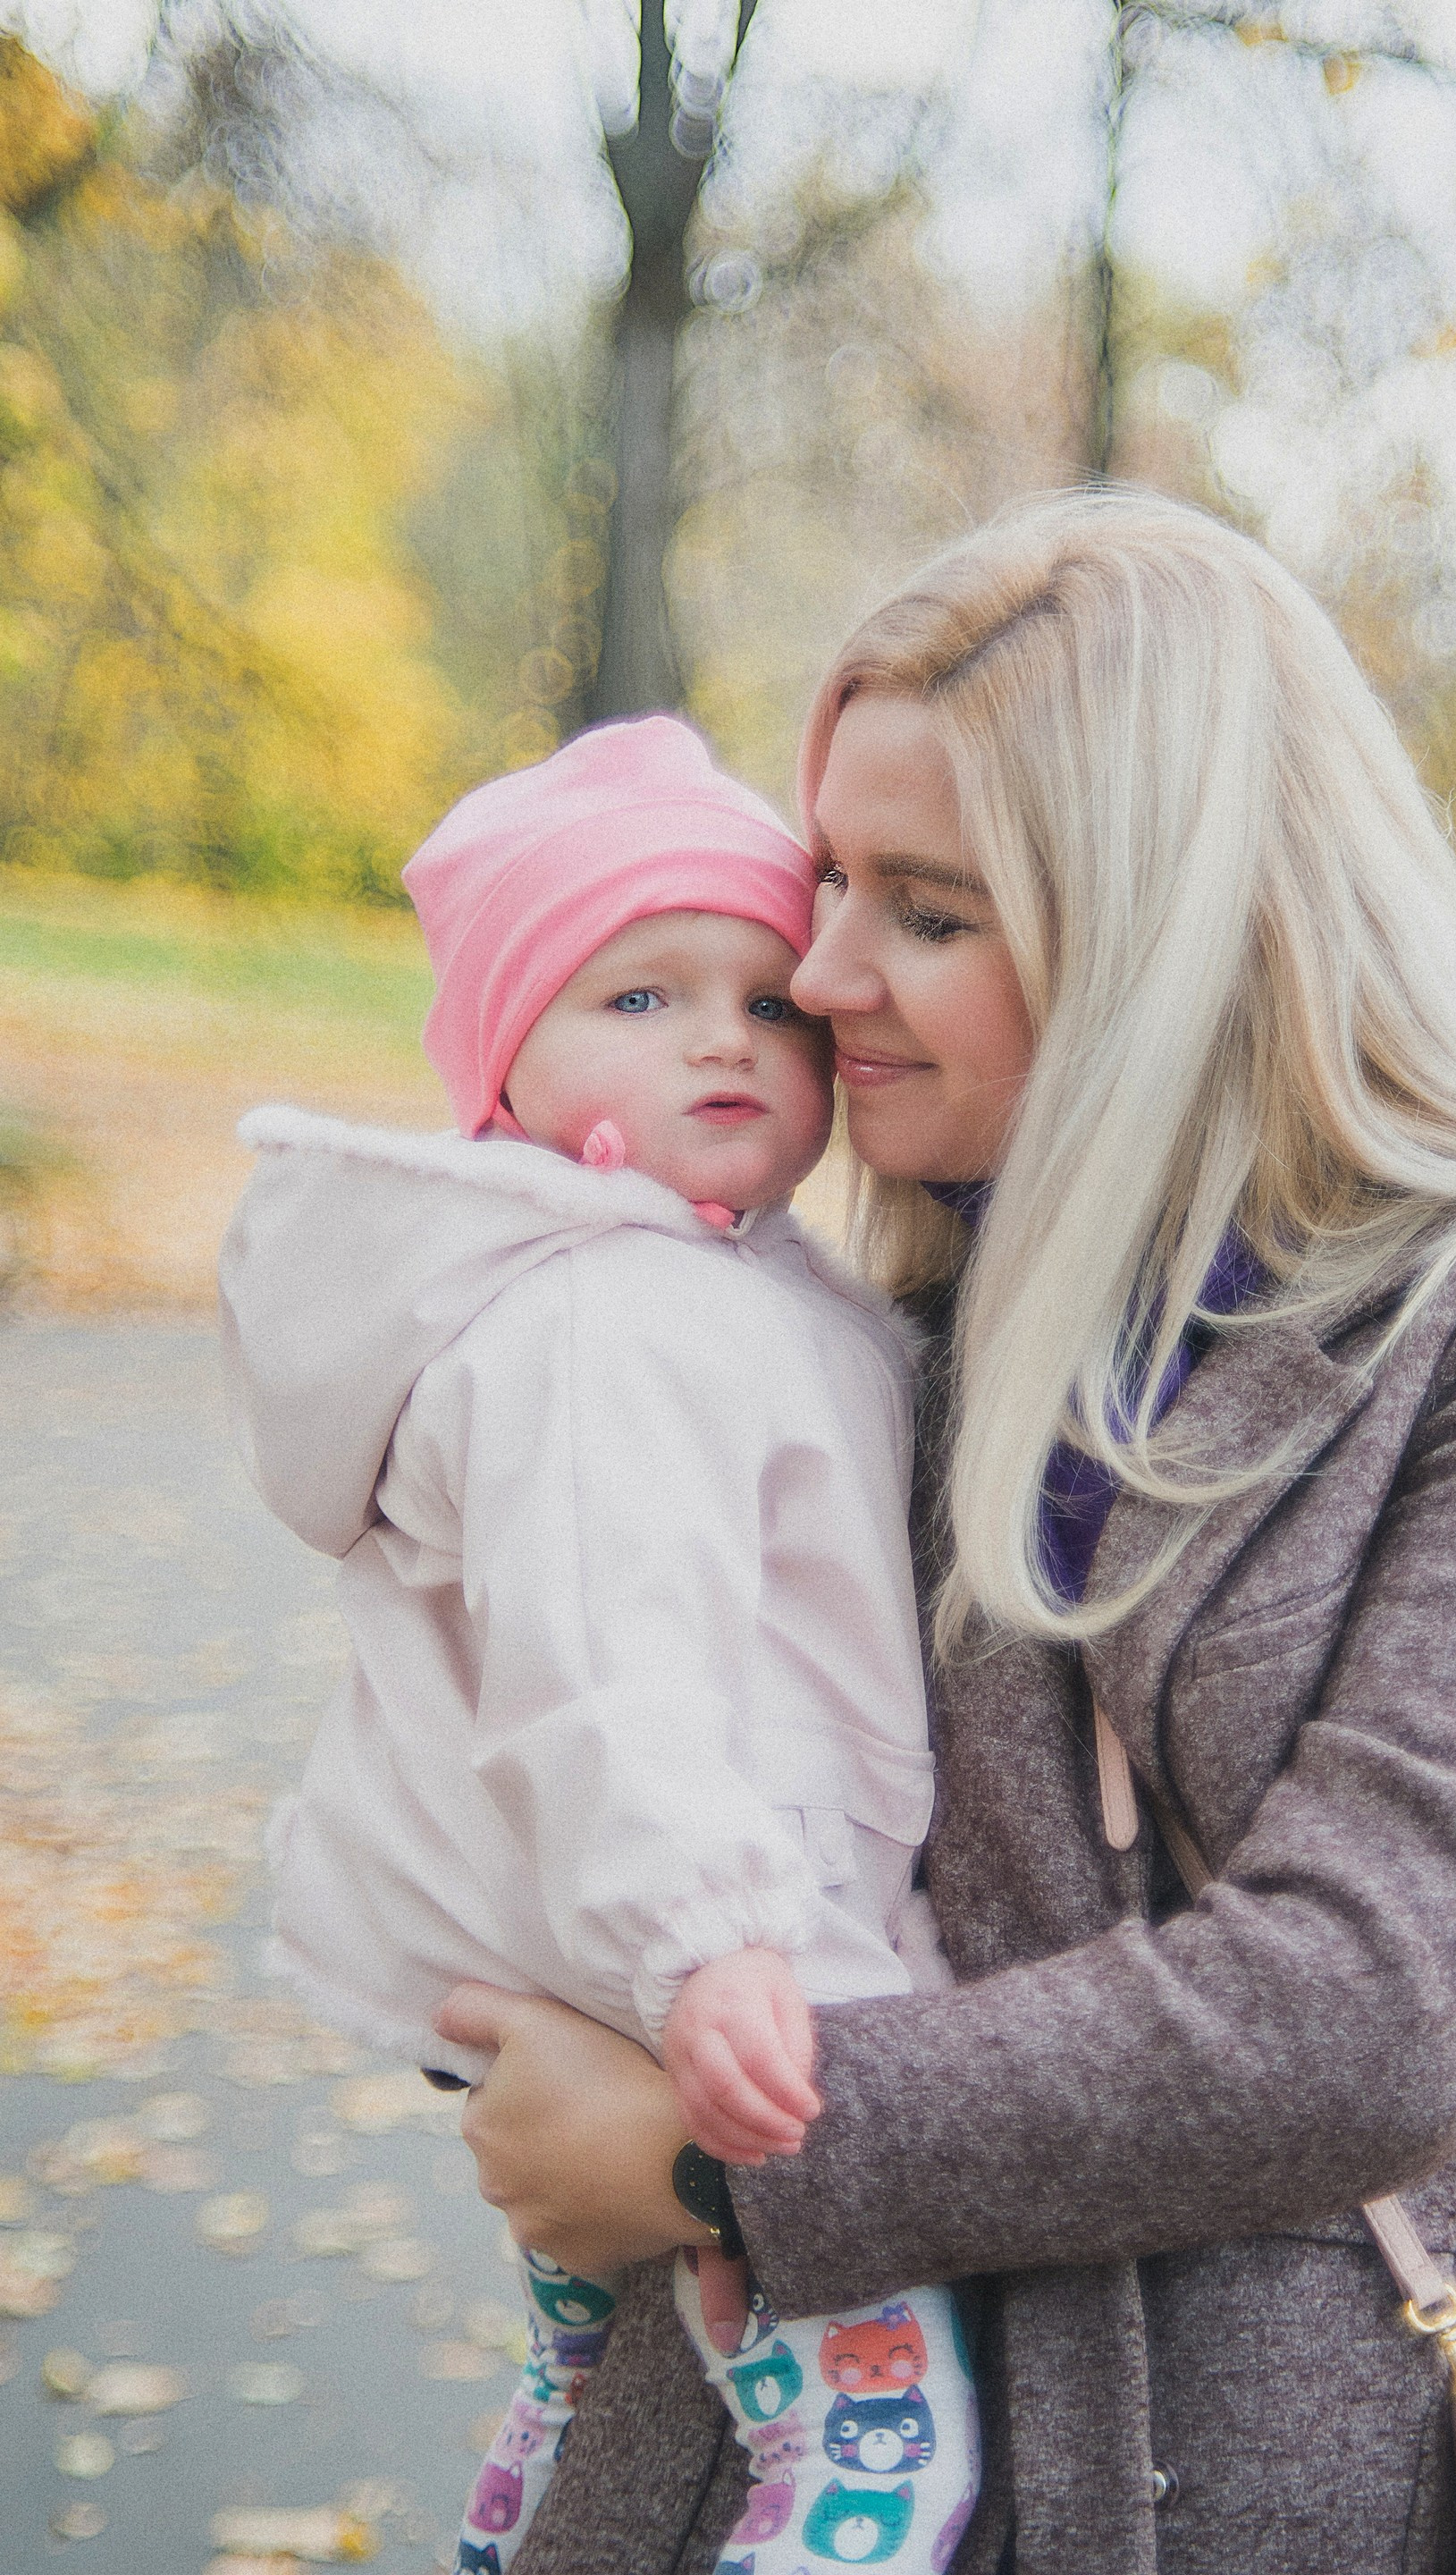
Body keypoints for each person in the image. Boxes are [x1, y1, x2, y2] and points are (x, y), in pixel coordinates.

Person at [434, 491, 1456, 2575]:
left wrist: (729, 2159)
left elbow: (1384, 1998)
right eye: (833, 879)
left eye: (928, 911)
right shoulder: (842, 1316)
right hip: (782, 2455)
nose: (819, 969)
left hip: (1326, 2462)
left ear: (1174, 931)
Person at [217, 716, 979, 2575]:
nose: (727, 1039)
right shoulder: (609, 1319)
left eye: (768, 1000)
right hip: (699, 1928)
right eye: (640, 996)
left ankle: (535, 2485)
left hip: (643, 1917)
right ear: (506, 1066)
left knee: (607, 2329)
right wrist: (708, 1939)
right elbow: (605, 1669)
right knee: (885, 2430)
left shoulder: (730, 1279)